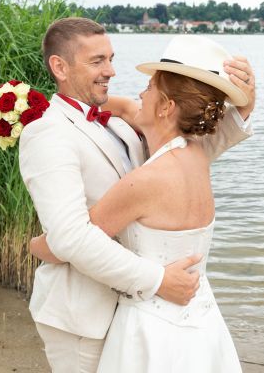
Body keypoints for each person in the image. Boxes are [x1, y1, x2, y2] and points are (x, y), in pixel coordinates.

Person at [20, 19, 254, 373]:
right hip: (83, 316)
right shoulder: (48, 133)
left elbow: (181, 156)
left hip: (135, 313)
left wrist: (242, 111)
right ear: (59, 66)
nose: (111, 71)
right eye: (97, 61)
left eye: (111, 58)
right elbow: (71, 237)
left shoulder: (119, 125)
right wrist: (158, 280)